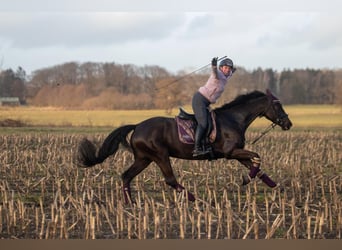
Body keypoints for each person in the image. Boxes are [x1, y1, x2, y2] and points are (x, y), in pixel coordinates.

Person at [192, 57, 236, 157]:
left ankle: (205, 144)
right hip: (200, 100)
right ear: (221, 68)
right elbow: (215, 73)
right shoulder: (218, 75)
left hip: (206, 103)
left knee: (211, 123)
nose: (227, 69)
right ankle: (197, 148)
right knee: (203, 123)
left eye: (229, 68)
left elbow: (228, 76)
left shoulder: (225, 78)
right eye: (225, 67)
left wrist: (233, 72)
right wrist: (214, 66)